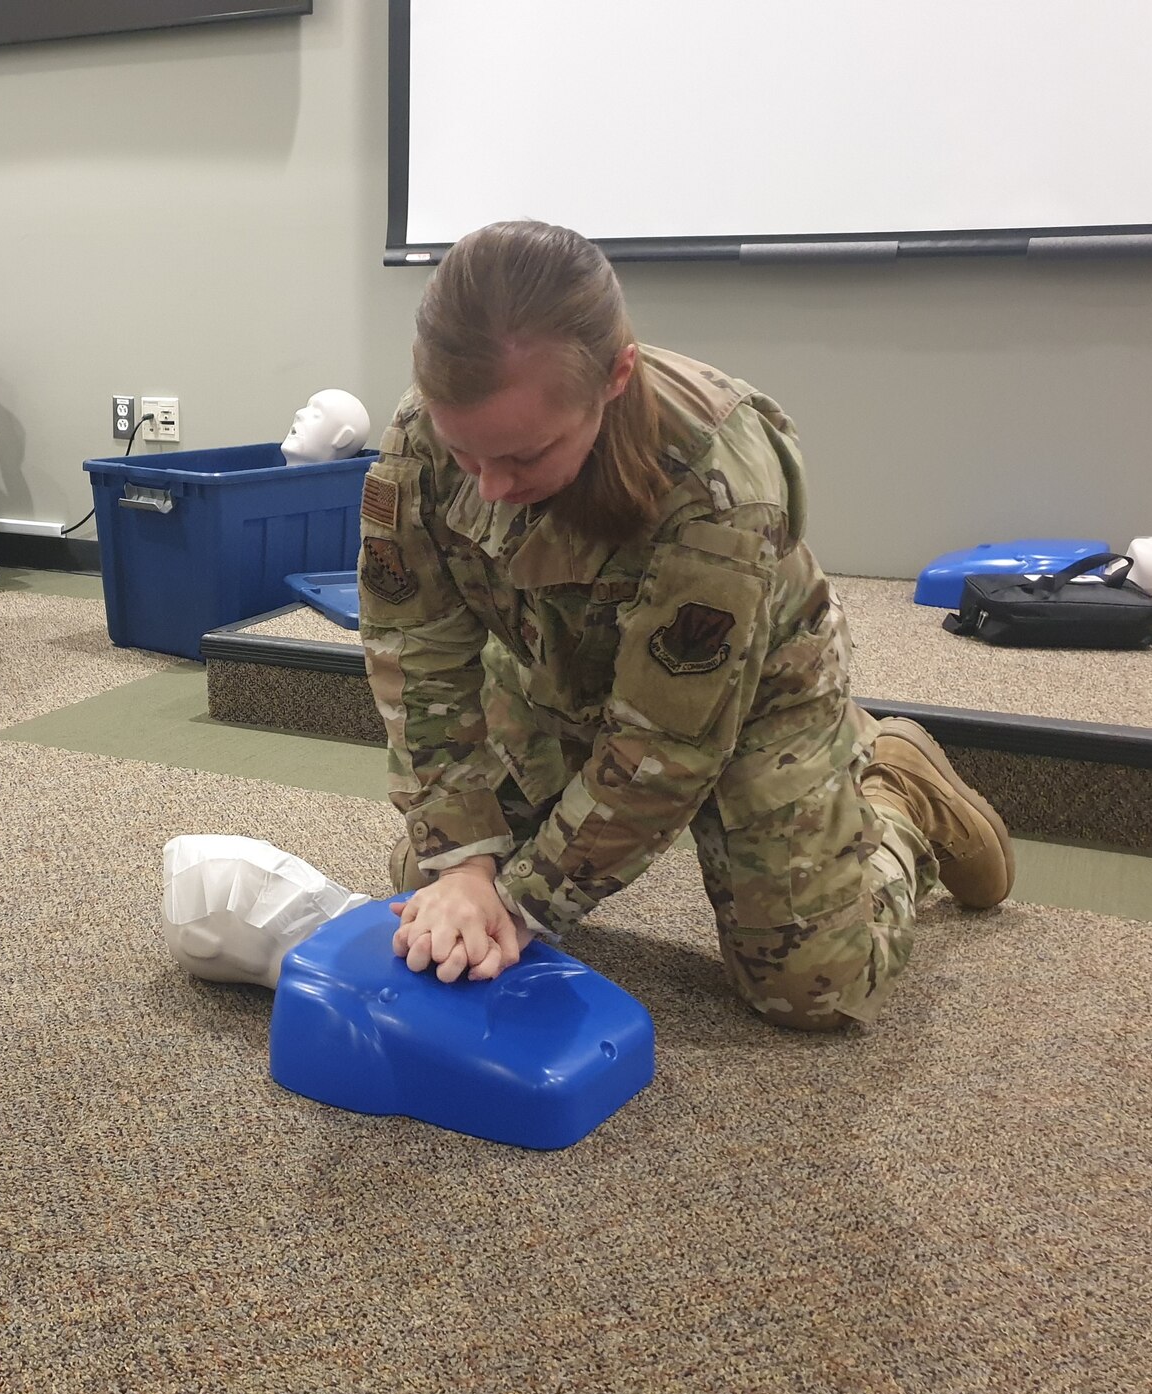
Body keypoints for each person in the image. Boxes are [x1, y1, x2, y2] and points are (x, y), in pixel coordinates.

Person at [359, 219, 1013, 1030]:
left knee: (811, 992)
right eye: (467, 456)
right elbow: (414, 652)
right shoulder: (422, 435)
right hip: (549, 674)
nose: (489, 486)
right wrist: (463, 860)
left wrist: (522, 904)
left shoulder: (717, 484)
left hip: (747, 701)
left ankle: (901, 796)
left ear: (615, 377)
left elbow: (666, 747)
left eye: (524, 457)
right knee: (424, 887)